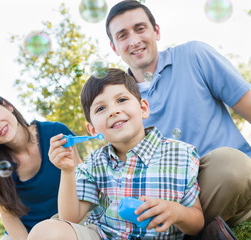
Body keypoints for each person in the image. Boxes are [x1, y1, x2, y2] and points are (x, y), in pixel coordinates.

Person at [105, 0, 251, 226]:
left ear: (156, 31)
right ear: (114, 47)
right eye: (122, 35)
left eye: (140, 28)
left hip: (233, 180)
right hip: (177, 201)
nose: (134, 41)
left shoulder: (194, 55)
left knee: (232, 166)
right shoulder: (119, 102)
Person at [28, 68, 204, 240]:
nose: (113, 111)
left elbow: (197, 222)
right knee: (44, 232)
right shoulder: (94, 163)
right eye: (100, 109)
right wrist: (67, 171)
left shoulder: (181, 154)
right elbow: (69, 219)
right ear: (92, 129)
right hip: (104, 236)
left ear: (143, 108)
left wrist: (177, 212)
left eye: (121, 99)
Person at [0, 90, 79, 240]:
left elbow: (83, 183)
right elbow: (9, 218)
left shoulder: (56, 134)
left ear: (8, 106)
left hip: (66, 226)